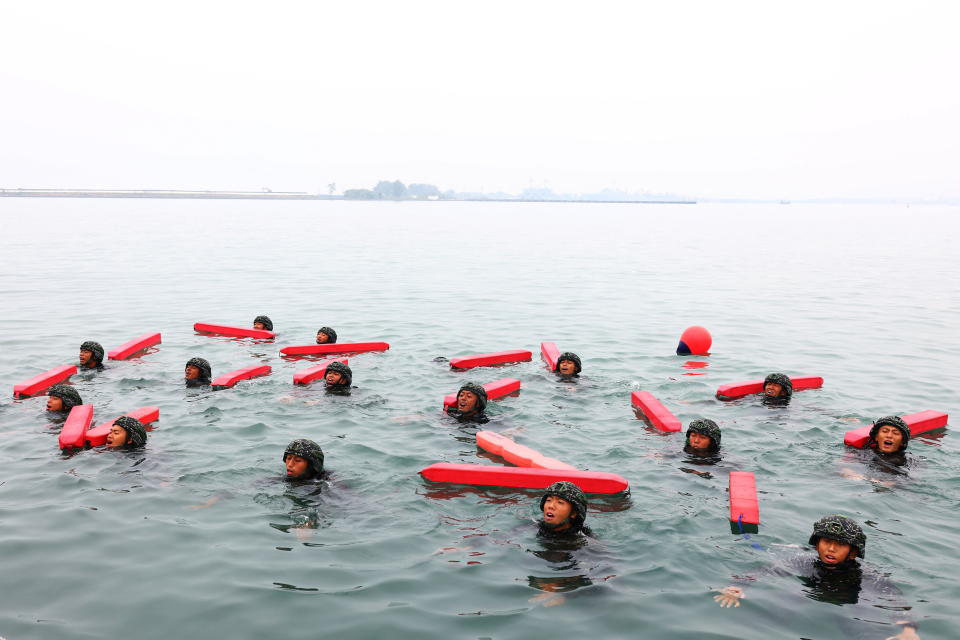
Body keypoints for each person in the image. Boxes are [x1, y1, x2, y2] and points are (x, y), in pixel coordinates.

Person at [713, 515, 920, 638]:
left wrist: (908, 629)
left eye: (840, 544)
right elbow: (764, 571)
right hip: (808, 597)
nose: (831, 548)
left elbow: (894, 599)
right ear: (816, 543)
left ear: (853, 552)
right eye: (826, 541)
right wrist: (737, 587)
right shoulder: (803, 561)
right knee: (769, 615)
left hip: (850, 603)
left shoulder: (866, 575)